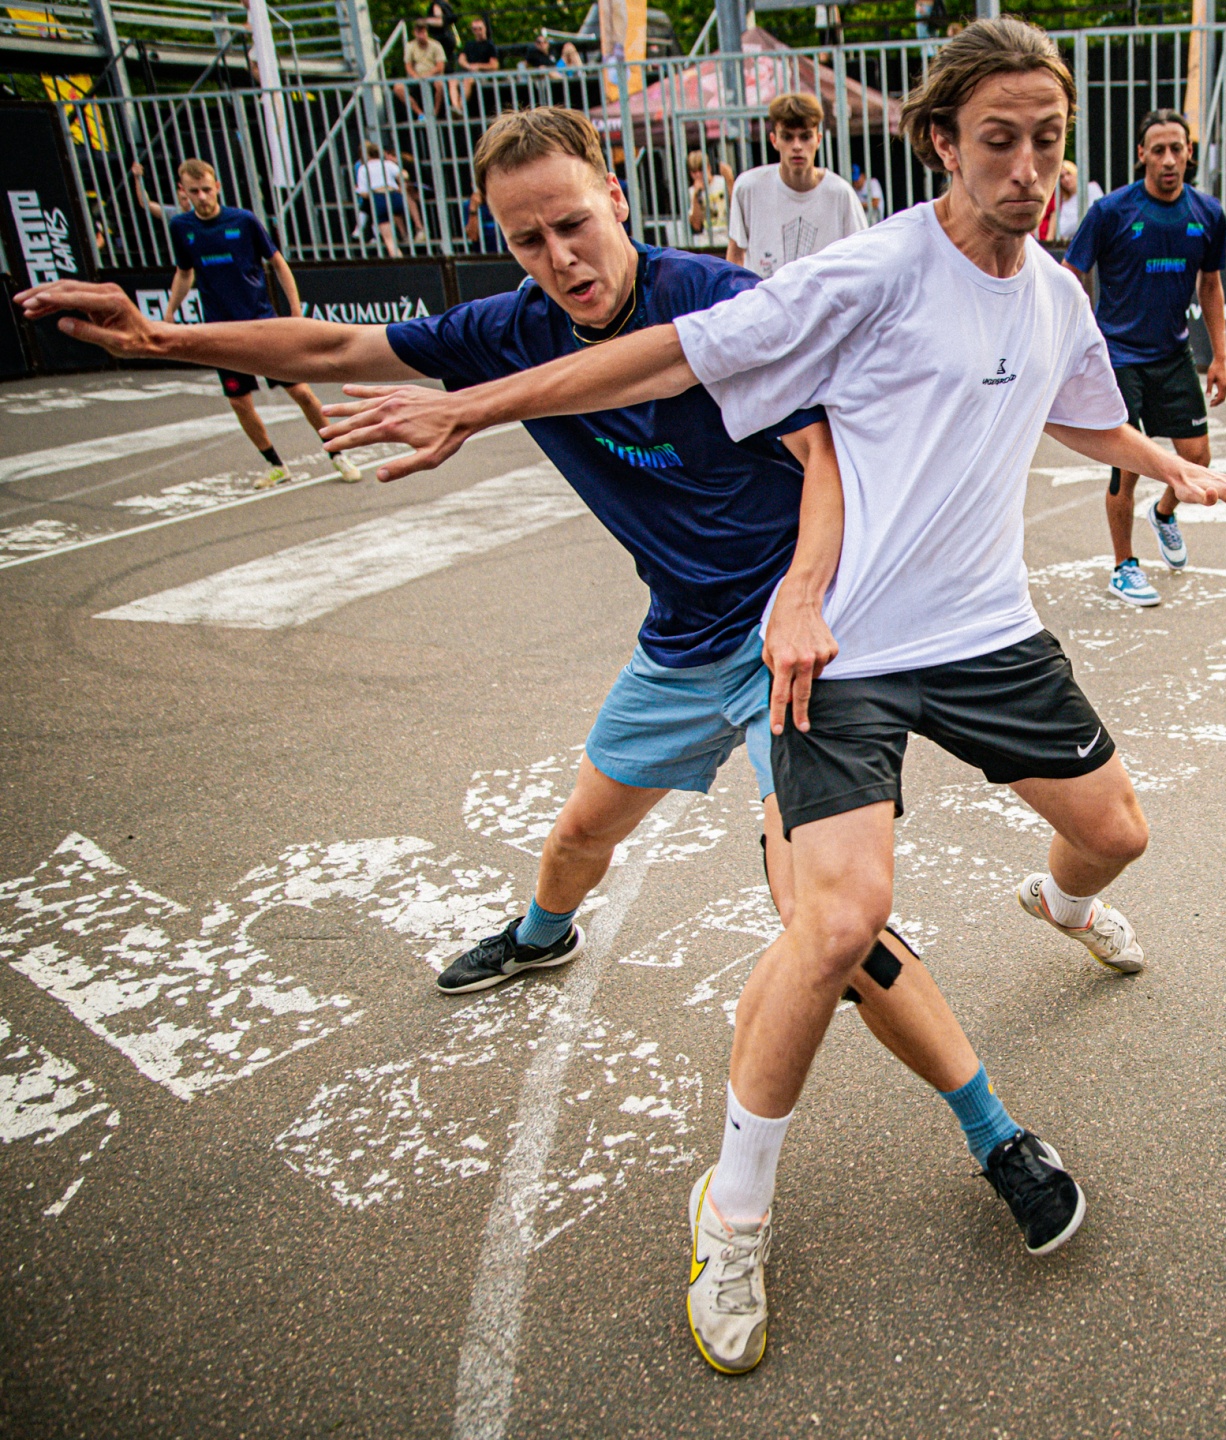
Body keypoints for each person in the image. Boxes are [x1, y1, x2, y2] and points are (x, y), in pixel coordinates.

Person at [293, 20, 1226, 1377]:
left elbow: (1082, 415)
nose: (1029, 167)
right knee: (835, 923)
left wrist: (1173, 466)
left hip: (986, 634)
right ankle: (737, 1209)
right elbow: (670, 356)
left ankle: (1057, 904)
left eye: (1048, 140)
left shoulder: (1053, 293)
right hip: (843, 645)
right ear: (941, 143)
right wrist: (481, 404)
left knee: (1116, 836)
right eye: (999, 139)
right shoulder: (870, 272)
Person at [16, 105, 1059, 1313]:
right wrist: (160, 336)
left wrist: (804, 597)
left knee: (830, 926)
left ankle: (994, 1132)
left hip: (793, 647)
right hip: (679, 646)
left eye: (572, 223)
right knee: (578, 834)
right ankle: (538, 936)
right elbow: (341, 343)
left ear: (616, 198)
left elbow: (827, 461)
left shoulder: (716, 301)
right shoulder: (506, 329)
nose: (560, 257)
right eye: (527, 239)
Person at [1063, 108, 1226, 606]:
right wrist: (1075, 342)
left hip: (1173, 353)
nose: (1169, 159)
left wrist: (1220, 357)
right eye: (1158, 150)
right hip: (1118, 356)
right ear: (1142, 155)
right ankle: (1124, 566)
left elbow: (1210, 284)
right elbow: (1070, 275)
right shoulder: (1111, 211)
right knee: (1127, 466)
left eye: (1177, 149)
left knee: (1197, 457)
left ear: (1189, 153)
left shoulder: (1207, 213)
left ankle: (1164, 513)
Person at [154, 159, 363, 489]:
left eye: (207, 189)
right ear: (184, 192)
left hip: (262, 325)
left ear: (217, 186)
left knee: (301, 392)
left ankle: (338, 453)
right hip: (220, 332)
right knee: (239, 402)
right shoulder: (181, 226)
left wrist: (295, 311)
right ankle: (276, 465)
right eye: (194, 191)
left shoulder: (244, 220)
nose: (202, 196)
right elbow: (184, 273)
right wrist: (169, 315)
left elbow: (277, 262)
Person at [726, 92, 867, 278]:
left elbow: (860, 260)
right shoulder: (748, 188)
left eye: (805, 137)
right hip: (764, 294)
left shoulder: (840, 194)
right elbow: (735, 256)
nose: (797, 146)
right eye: (787, 137)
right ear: (774, 140)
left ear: (818, 139)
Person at [355, 143, 408, 257]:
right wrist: (400, 186)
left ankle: (398, 258)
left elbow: (364, 193)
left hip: (379, 198)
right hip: (394, 196)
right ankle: (404, 234)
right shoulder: (387, 164)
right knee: (397, 213)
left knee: (389, 240)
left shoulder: (363, 168)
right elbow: (404, 175)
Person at [685, 149, 731, 247]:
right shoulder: (692, 192)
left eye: (701, 170)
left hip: (728, 237)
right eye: (694, 172)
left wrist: (730, 180)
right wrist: (696, 196)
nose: (698, 175)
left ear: (709, 168)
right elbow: (696, 225)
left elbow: (736, 205)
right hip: (706, 242)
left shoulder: (721, 182)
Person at [455, 16, 500, 113]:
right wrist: (468, 66)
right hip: (468, 73)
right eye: (475, 29)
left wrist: (478, 66)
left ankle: (459, 108)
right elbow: (461, 59)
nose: (478, 31)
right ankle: (455, 107)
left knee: (468, 80)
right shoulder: (469, 44)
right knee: (452, 80)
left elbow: (494, 65)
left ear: (485, 29)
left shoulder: (490, 45)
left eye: (480, 28)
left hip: (483, 75)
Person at [402, 22, 448, 116]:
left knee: (439, 85)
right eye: (418, 32)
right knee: (398, 87)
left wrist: (427, 75)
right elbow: (408, 66)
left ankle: (434, 113)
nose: (421, 35)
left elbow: (440, 66)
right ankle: (420, 114)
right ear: (414, 33)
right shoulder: (410, 46)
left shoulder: (436, 45)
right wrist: (415, 75)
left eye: (423, 32)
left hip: (434, 77)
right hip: (417, 78)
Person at [1045, 159, 1098, 242]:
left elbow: (1095, 215)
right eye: (1062, 177)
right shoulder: (1063, 201)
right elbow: (1062, 230)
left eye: (1068, 173)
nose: (1066, 179)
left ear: (1076, 173)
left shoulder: (1091, 188)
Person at [462, 183, 499, 250]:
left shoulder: (504, 202)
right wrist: (473, 209)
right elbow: (473, 236)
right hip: (483, 252)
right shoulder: (468, 205)